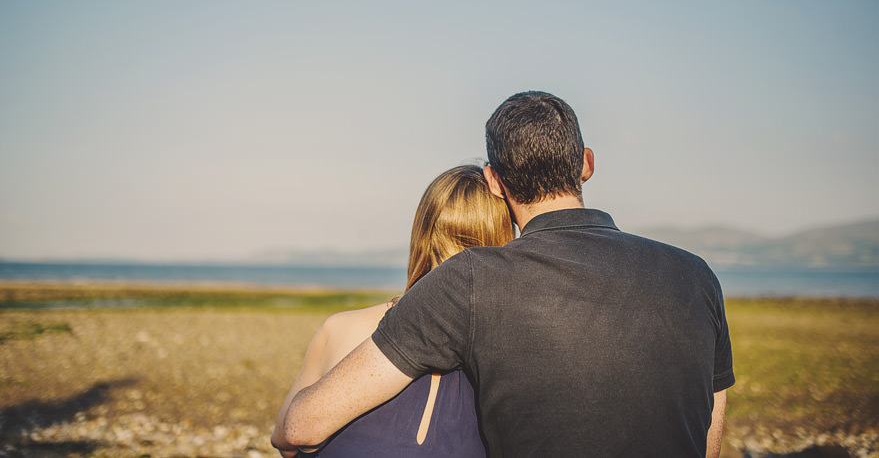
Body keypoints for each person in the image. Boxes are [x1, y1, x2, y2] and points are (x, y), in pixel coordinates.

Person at [275, 91, 735, 458]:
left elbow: (302, 427)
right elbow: (710, 423)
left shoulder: (469, 279)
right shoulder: (696, 276)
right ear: (586, 164)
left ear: (494, 181)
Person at [271, 165, 514, 457]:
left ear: (423, 233)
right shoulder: (508, 350)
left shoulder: (342, 328)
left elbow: (286, 442)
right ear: (502, 240)